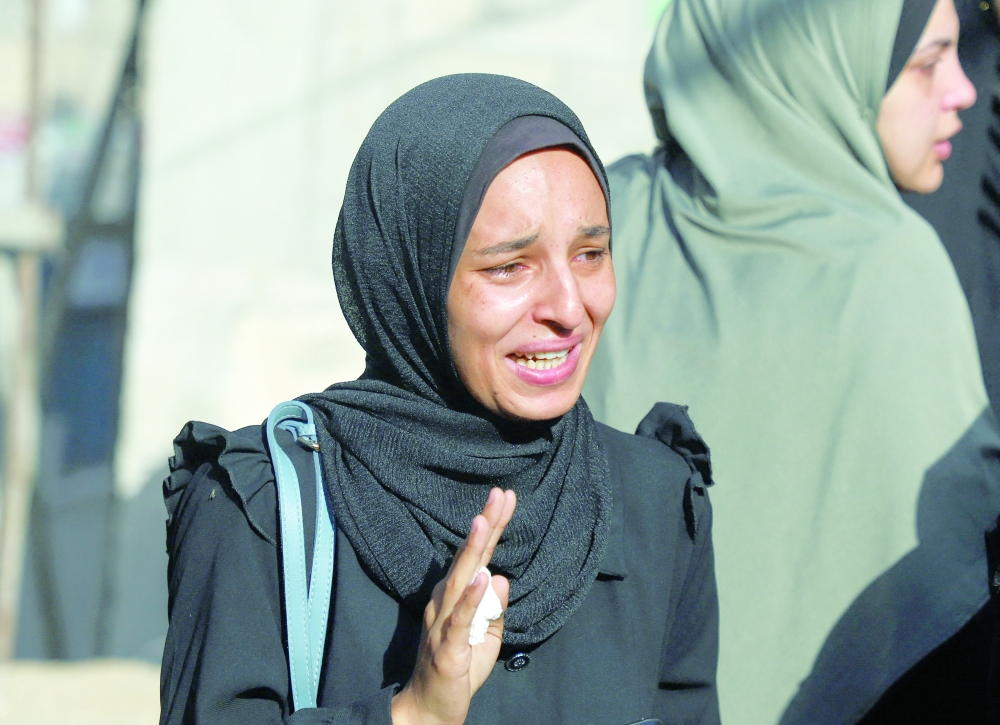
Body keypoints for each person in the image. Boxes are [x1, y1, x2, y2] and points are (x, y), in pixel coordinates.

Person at [159, 74, 721, 725]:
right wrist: (414, 713)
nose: (571, 308)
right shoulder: (264, 507)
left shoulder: (652, 501)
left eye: (591, 253)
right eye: (509, 265)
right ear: (411, 277)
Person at [582, 0, 1000, 723]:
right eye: (927, 62)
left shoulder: (602, 220)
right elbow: (946, 607)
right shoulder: (891, 271)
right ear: (814, 63)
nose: (963, 89)